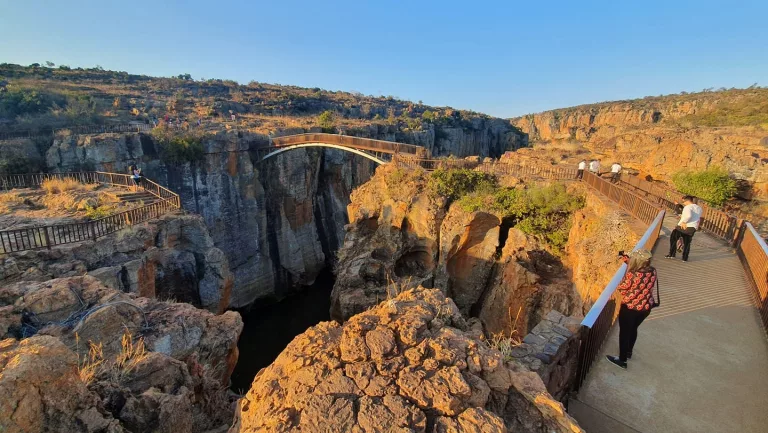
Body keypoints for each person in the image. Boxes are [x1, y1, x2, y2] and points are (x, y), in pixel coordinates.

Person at [606, 249, 657, 369]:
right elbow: (641, 276)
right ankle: (629, 352)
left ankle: (622, 360)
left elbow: (622, 288)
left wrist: (628, 268)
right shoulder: (653, 271)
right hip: (645, 307)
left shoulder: (632, 274)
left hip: (630, 308)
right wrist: (628, 262)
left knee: (624, 333)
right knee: (634, 329)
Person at [665, 195, 702, 262]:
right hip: (692, 227)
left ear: (687, 201)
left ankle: (672, 254)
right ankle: (685, 258)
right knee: (687, 243)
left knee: (673, 238)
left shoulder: (687, 207)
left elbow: (688, 216)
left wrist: (684, 222)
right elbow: (697, 218)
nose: (683, 203)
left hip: (684, 226)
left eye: (683, 201)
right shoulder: (699, 208)